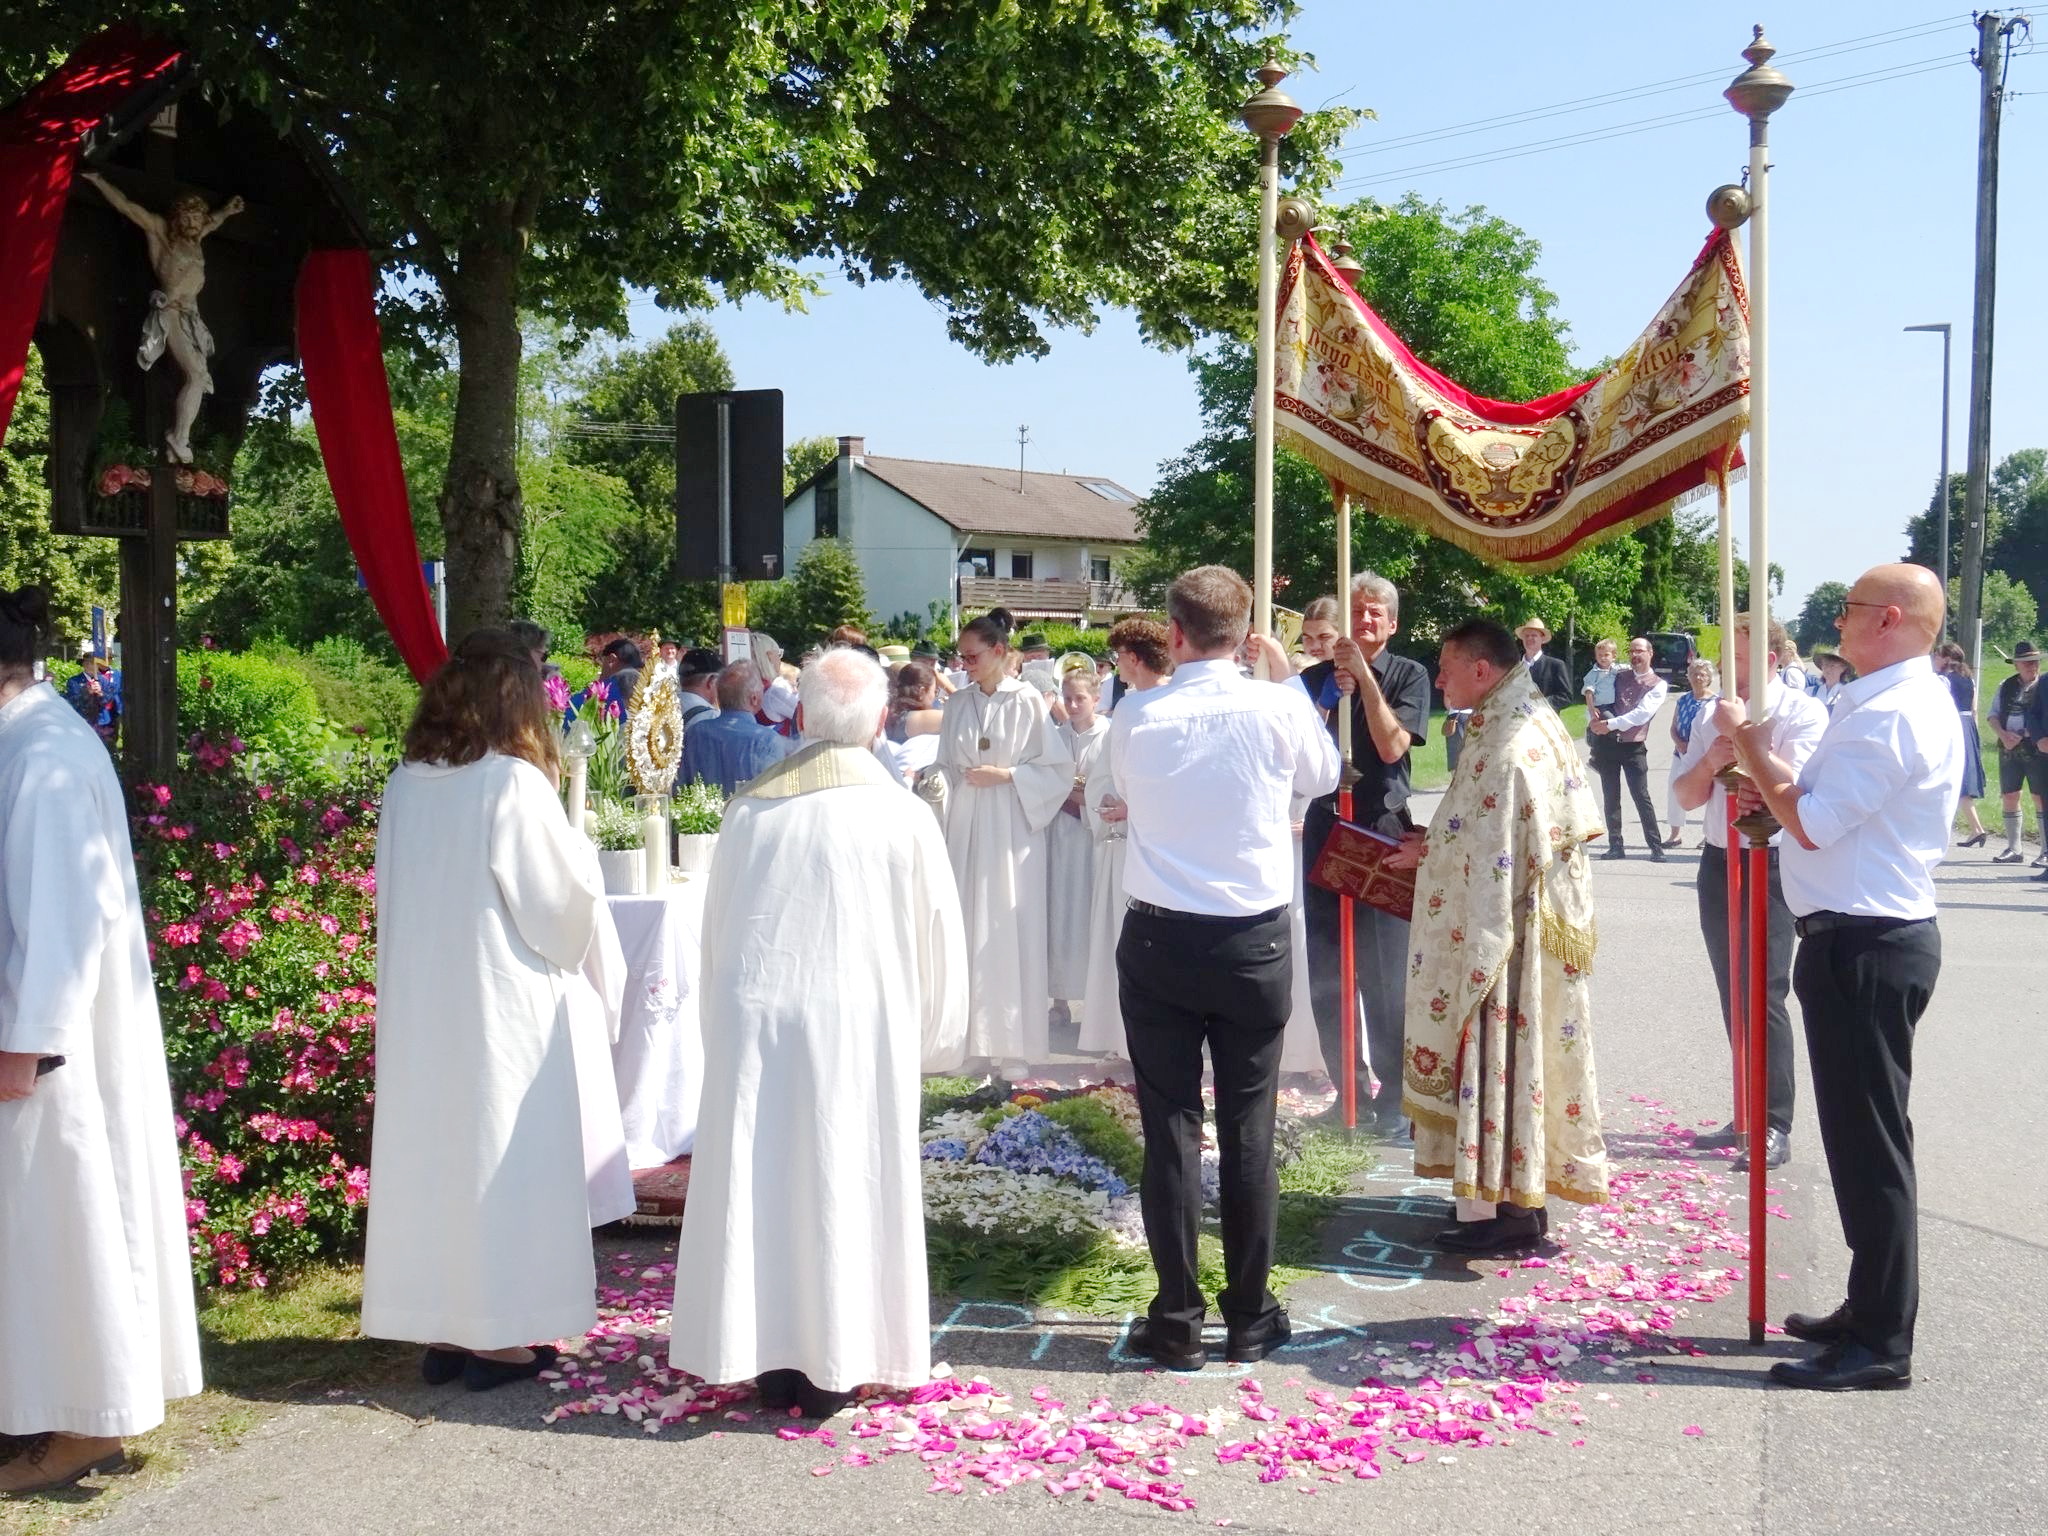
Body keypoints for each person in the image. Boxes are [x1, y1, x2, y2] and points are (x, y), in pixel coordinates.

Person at [668, 649, 967, 1418]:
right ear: (880, 720)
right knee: (844, 1183)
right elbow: (937, 937)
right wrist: (933, 1038)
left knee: (764, 1185)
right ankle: (837, 1359)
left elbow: (716, 933)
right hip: (860, 1027)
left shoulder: (750, 812)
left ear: (799, 717)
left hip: (757, 1022)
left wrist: (720, 1027)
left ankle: (760, 1353)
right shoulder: (903, 814)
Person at [1719, 563, 1958, 1391]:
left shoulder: (1894, 712)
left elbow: (1816, 823)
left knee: (1871, 1145)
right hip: (1853, 937)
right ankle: (1868, 1307)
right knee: (1858, 1141)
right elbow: (1815, 813)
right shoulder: (1877, 701)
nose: (1839, 620)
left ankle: (1883, 1341)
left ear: (1888, 619)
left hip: (1868, 942)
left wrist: (1752, 748)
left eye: (1851, 608)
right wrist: (1770, 797)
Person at [361, 629, 605, 1390]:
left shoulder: (408, 781)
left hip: (423, 1004)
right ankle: (498, 1338)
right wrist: (582, 856)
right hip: (499, 1003)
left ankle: (442, 1326)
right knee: (504, 1158)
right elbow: (557, 910)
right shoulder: (511, 784)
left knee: (437, 1160)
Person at [1109, 567, 1339, 1369]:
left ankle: (1178, 1317)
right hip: (1250, 938)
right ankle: (1249, 1313)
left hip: (1161, 934)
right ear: (1242, 636)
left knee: (1171, 1130)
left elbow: (1126, 788)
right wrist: (1285, 681)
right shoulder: (1278, 704)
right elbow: (1323, 777)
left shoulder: (1137, 713)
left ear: (1174, 635)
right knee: (1249, 1128)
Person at [0, 586, 201, 1494]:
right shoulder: (29, 739)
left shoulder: (42, 755)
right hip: (42, 1031)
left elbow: (60, 915)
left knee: (69, 1223)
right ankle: (51, 1404)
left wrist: (27, 1044)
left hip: (49, 1045)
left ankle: (85, 1421)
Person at [1387, 619, 1609, 1254]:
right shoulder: (1511, 714)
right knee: (1514, 1059)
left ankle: (1505, 1212)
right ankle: (1512, 1197)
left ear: (1480, 670)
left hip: (1507, 932)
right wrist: (1437, 840)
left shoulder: (1514, 740)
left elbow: (1498, 857)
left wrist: (1431, 854)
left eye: (1446, 668)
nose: (1438, 680)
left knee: (1505, 1051)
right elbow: (1485, 828)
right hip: (1519, 917)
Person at [1670, 618, 1825, 1171]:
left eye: (1741, 659)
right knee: (1732, 990)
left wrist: (1745, 743)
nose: (1729, 670)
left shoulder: (1802, 712)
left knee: (1763, 990)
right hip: (1718, 858)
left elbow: (1796, 788)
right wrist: (1712, 758)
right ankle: (1744, 1109)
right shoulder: (1711, 714)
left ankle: (1773, 1121)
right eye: (1725, 659)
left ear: (1773, 660)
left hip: (1771, 858)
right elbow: (1686, 795)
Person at [1298, 573, 1432, 1129]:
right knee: (1329, 973)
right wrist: (1327, 696)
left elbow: (1392, 745)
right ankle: (1348, 1094)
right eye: (1356, 611)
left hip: (1380, 828)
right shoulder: (1314, 679)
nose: (1366, 619)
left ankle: (1396, 1097)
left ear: (1392, 623)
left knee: (1385, 975)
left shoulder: (1409, 674)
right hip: (1327, 824)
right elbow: (1294, 751)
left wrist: (1366, 683)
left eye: (1376, 612)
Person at [937, 614, 1074, 1074]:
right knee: (969, 927)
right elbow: (944, 764)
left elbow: (1057, 769)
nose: (965, 664)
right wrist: (933, 781)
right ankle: (972, 1045)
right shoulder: (958, 703)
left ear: (998, 651)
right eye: (961, 656)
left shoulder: (1027, 699)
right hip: (966, 824)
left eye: (972, 655)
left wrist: (1009, 775)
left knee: (1009, 927)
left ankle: (1014, 1046)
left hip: (1014, 825)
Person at [1079, 618, 1171, 1057]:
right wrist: (1105, 803)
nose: (1115, 666)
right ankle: (1117, 1037)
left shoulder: (1165, 704)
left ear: (1134, 658)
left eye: (1118, 657)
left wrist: (1134, 808)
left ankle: (1150, 1040)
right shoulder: (1128, 706)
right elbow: (1106, 774)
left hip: (1156, 845)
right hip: (1120, 841)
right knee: (1119, 938)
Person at [1048, 669, 1108, 1031]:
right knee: (1060, 913)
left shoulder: (1110, 736)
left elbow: (1111, 787)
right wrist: (1062, 794)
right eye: (1067, 698)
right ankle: (1059, 1000)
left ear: (1096, 699)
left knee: (1091, 915)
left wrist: (1076, 796)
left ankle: (1097, 1002)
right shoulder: (1054, 737)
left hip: (1094, 838)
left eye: (1080, 698)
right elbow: (1044, 780)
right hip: (1059, 834)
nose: (1072, 705)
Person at [1588, 637, 1670, 862]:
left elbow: (1641, 715)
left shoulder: (1658, 684)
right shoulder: (1618, 674)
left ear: (1650, 653)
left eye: (1639, 651)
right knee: (1610, 796)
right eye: (1632, 651)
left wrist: (1609, 724)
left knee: (1641, 796)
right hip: (1608, 745)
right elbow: (1597, 694)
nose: (1635, 655)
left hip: (1633, 746)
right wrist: (1592, 717)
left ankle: (1655, 846)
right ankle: (1615, 845)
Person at [677, 663, 790, 796]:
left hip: (699, 808)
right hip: (745, 809)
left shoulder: (694, 733)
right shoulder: (767, 741)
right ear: (754, 699)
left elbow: (679, 790)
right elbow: (773, 796)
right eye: (762, 689)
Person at [1986, 639, 2044, 867]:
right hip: (2008, 749)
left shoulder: (2045, 686)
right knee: (2010, 795)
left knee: (2040, 798)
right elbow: (1992, 715)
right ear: (2016, 664)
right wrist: (2002, 734)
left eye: (2035, 662)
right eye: (2027, 662)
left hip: (2037, 749)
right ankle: (2014, 848)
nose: (2033, 666)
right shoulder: (2006, 685)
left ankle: (2045, 851)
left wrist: (2027, 733)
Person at [1934, 643, 1988, 845]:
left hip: (1952, 725)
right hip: (1968, 726)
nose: (1934, 659)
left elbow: (1940, 708)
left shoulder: (1943, 680)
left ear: (1946, 658)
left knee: (1954, 777)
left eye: (1937, 655)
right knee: (1961, 777)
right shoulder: (1968, 679)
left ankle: (1975, 828)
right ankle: (1975, 828)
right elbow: (1974, 710)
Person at [1665, 657, 1719, 847]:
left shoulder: (1715, 702)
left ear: (1709, 678)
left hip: (1705, 755)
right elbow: (1673, 727)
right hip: (1680, 752)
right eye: (1694, 674)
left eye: (1702, 674)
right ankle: (1675, 834)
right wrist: (1679, 743)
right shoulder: (1683, 700)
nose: (1698, 677)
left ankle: (1708, 835)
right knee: (1674, 789)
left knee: (1711, 793)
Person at [63, 641, 122, 748]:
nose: (92, 666)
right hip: (85, 721)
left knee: (107, 747)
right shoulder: (74, 681)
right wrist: (87, 692)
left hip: (103, 722)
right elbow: (74, 701)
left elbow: (108, 699)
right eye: (89, 663)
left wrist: (100, 693)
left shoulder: (102, 680)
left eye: (94, 664)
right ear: (84, 665)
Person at [1517, 617, 1575, 711]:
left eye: (1534, 635)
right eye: (1526, 636)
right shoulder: (1514, 667)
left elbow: (1566, 697)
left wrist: (1539, 703)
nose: (1529, 638)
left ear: (1542, 638)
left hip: (1543, 718)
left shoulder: (1555, 666)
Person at [750, 632, 800, 735]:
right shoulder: (774, 693)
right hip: (781, 745)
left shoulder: (747, 688)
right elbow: (810, 717)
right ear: (769, 656)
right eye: (778, 654)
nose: (780, 660)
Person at [1581, 637, 1619, 723]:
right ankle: (1591, 730)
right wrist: (1592, 709)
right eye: (1600, 655)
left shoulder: (1616, 669)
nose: (1603, 658)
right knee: (1613, 722)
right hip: (1601, 707)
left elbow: (1630, 669)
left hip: (1615, 705)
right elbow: (1588, 693)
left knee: (1621, 722)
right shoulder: (1593, 674)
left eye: (1606, 655)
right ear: (1596, 656)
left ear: (1614, 656)